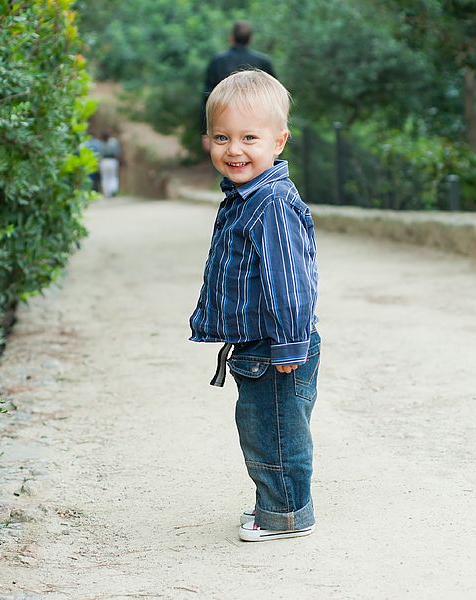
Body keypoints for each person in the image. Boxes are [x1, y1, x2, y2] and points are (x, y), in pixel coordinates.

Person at [189, 70, 320, 542]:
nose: (234, 150)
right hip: (257, 344)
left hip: (276, 344)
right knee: (261, 425)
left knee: (278, 430)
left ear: (279, 141)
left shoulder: (270, 204)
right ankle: (276, 502)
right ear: (207, 139)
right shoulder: (244, 199)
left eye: (249, 138)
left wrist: (289, 343)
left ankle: (287, 514)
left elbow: (290, 282)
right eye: (222, 137)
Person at [200, 21, 276, 152]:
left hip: (224, 123)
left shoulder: (217, 61)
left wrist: (206, 131)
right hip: (257, 125)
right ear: (250, 39)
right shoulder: (264, 62)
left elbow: (207, 97)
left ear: (232, 38)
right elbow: (274, 98)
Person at [98, 130, 122, 198]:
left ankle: (107, 193)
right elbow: (118, 152)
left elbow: (99, 154)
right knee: (113, 177)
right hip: (112, 161)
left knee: (105, 178)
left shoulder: (101, 143)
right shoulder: (114, 142)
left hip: (104, 161)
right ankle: (113, 191)